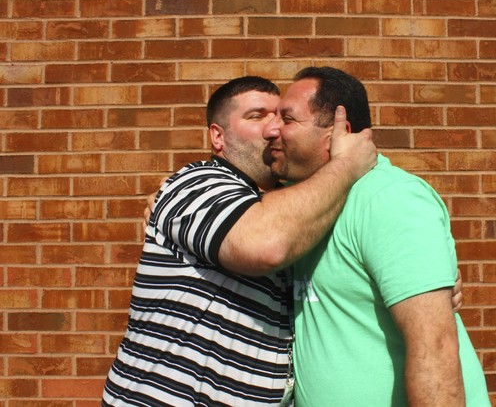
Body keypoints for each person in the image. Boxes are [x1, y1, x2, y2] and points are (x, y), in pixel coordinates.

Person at [102, 76, 378, 406]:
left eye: (280, 117)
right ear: (218, 136)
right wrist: (347, 164)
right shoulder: (195, 183)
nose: (273, 129)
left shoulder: (288, 210)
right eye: (257, 116)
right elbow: (265, 244)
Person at [262, 66, 490, 406]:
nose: (271, 130)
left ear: (341, 131)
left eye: (288, 119)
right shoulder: (299, 205)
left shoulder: (387, 197)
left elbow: (435, 348)